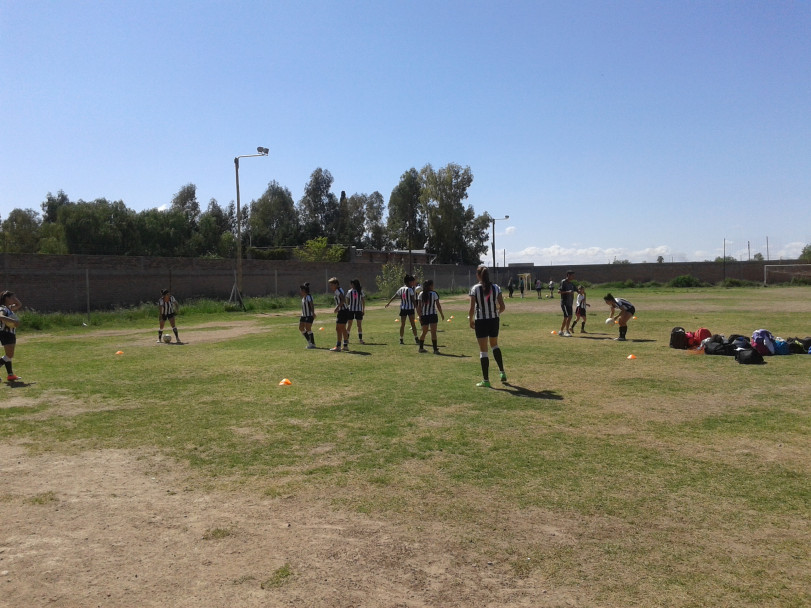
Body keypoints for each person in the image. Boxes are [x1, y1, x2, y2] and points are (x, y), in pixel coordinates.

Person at [468, 266, 507, 387]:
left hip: (481, 321)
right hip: (494, 320)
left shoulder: (475, 289)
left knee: (483, 350)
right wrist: (495, 314)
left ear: (478, 275)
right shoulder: (496, 287)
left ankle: (486, 380)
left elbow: (471, 308)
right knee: (494, 345)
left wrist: (470, 320)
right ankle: (502, 372)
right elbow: (502, 306)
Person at [384, 274, 419, 345]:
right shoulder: (410, 290)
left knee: (402, 324)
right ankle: (416, 338)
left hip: (403, 309)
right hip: (410, 309)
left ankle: (401, 339)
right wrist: (417, 308)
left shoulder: (401, 289)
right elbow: (413, 300)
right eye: (412, 282)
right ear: (409, 282)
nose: (413, 283)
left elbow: (394, 296)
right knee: (413, 324)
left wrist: (389, 303)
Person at [416, 279, 444, 354]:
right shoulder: (434, 294)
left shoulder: (421, 294)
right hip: (432, 315)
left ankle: (421, 348)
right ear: (431, 286)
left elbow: (418, 307)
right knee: (433, 332)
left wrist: (420, 316)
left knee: (424, 332)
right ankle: (435, 350)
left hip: (424, 315)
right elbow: (438, 305)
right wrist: (441, 314)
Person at [1, 290, 23, 382]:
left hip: (10, 333)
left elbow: (19, 305)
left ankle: (10, 375)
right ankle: (10, 375)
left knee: (8, 355)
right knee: (9, 355)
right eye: (12, 298)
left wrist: (14, 298)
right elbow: (0, 316)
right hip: (6, 333)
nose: (14, 299)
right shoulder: (3, 308)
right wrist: (13, 321)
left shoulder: (9, 308)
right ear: (6, 298)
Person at [328, 277, 350, 351]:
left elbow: (343, 299)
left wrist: (337, 307)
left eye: (332, 285)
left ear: (336, 284)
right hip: (343, 311)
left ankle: (339, 346)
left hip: (343, 311)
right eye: (330, 285)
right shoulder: (339, 289)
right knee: (339, 328)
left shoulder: (337, 290)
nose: (330, 287)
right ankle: (344, 345)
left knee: (341, 328)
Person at [345, 278, 366, 345]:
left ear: (353, 284)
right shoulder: (349, 291)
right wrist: (347, 308)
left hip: (358, 310)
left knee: (358, 325)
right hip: (351, 310)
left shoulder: (360, 291)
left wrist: (363, 309)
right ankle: (347, 339)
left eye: (351, 284)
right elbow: (347, 301)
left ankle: (360, 339)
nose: (350, 285)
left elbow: (363, 301)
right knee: (350, 324)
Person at [558, 271, 576, 336]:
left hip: (570, 303)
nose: (573, 277)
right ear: (568, 275)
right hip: (564, 303)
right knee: (566, 317)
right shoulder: (563, 282)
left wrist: (580, 291)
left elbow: (576, 289)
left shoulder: (571, 284)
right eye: (572, 275)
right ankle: (566, 331)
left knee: (570, 316)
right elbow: (559, 291)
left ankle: (561, 331)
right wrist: (568, 292)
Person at [299, 282, 316, 349]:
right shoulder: (303, 298)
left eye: (301, 290)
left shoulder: (309, 297)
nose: (300, 291)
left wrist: (313, 313)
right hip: (303, 315)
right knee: (301, 328)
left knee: (308, 328)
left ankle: (312, 344)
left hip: (309, 315)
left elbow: (311, 304)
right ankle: (309, 341)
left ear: (304, 291)